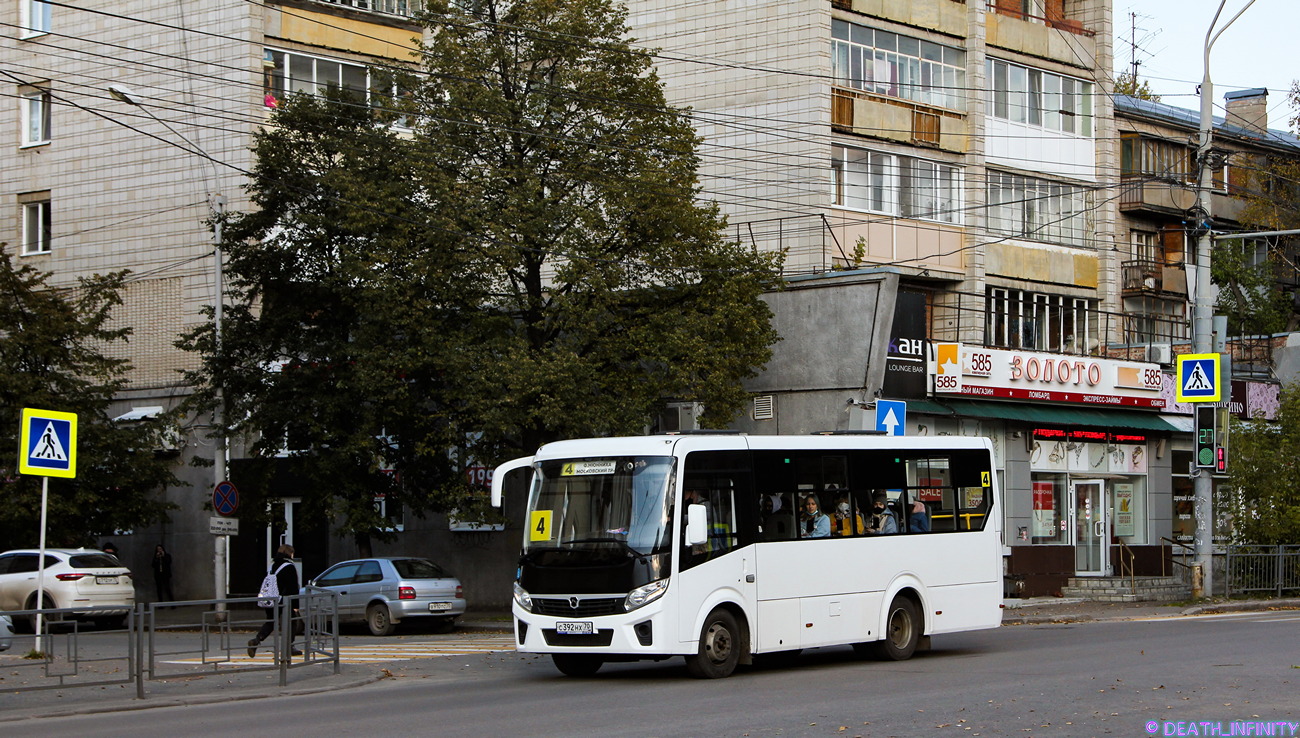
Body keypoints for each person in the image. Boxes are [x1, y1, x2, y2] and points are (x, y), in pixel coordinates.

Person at [248, 544, 301, 658]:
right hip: (284, 599)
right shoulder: (289, 566)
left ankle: (256, 640)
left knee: (271, 621)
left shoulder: (272, 565)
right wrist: (295, 604)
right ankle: (289, 647)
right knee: (292, 621)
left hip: (270, 599)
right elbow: (293, 587)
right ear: (290, 553)